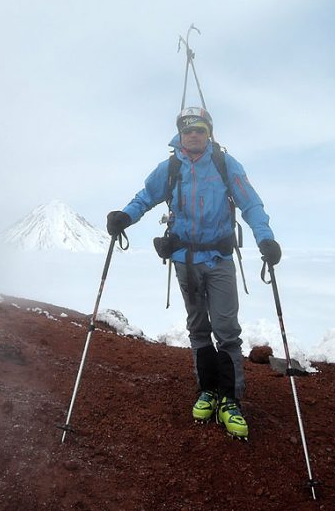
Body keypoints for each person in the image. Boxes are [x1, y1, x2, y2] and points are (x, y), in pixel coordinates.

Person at [106, 106, 281, 439]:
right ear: (180, 133)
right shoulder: (171, 167)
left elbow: (251, 204)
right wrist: (125, 217)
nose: (194, 134)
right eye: (188, 129)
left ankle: (230, 398)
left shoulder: (225, 164)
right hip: (184, 261)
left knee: (227, 330)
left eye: (200, 129)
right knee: (198, 328)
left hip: (219, 260)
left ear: (209, 132)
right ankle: (209, 389)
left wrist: (266, 239)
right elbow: (146, 197)